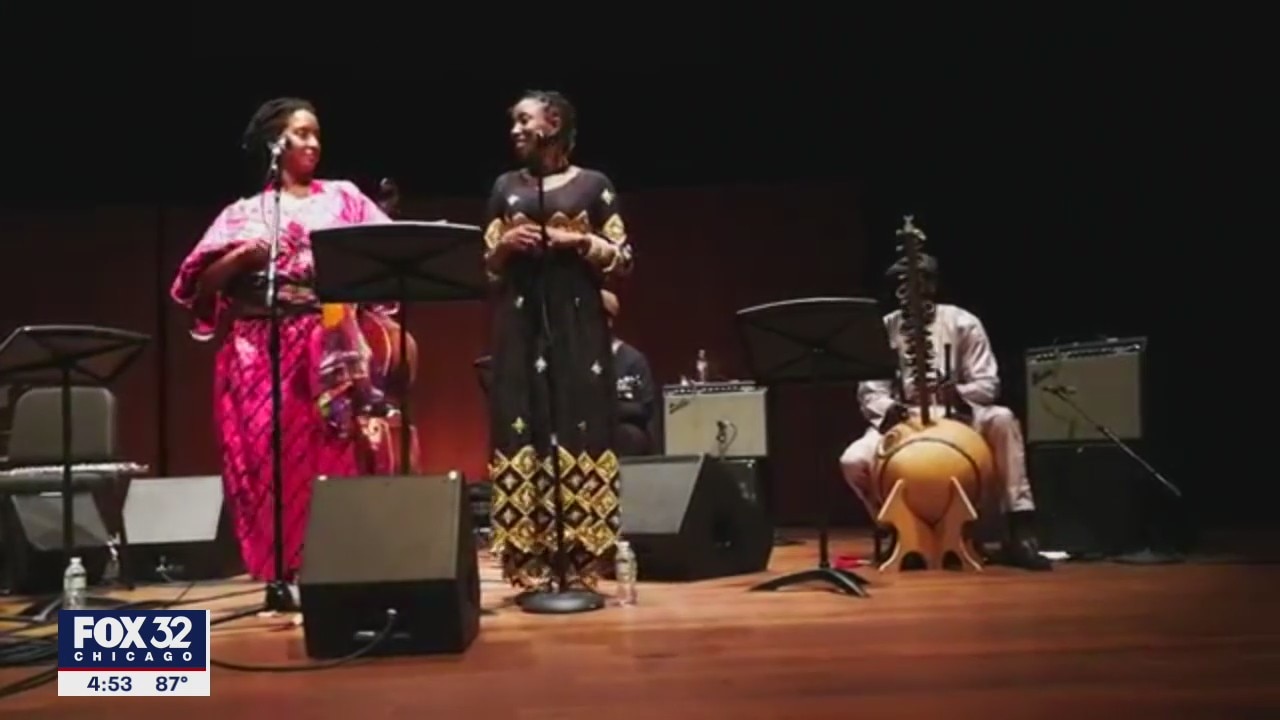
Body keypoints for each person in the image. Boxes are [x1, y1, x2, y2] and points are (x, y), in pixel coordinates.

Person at [170, 97, 418, 583]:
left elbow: (388, 251)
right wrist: (241, 259)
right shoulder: (243, 213)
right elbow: (200, 288)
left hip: (328, 345)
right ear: (274, 143)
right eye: (302, 133)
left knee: (332, 451)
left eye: (316, 133)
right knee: (266, 459)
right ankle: (279, 572)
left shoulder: (344, 198)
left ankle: (335, 568)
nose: (313, 143)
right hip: (257, 351)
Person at [482, 90, 633, 593]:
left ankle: (583, 560)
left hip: (578, 325)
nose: (515, 130)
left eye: (525, 120)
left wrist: (580, 241)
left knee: (580, 420)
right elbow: (486, 268)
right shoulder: (505, 187)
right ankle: (530, 561)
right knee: (522, 422)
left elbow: (624, 259)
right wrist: (504, 247)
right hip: (520, 326)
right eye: (513, 122)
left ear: (553, 124)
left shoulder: (594, 186)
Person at [838, 253, 1052, 571]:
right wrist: (891, 410)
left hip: (957, 414)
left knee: (1002, 419)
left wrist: (958, 394)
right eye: (902, 284)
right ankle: (896, 528)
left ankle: (1019, 527)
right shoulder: (884, 329)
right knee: (853, 461)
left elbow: (987, 383)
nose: (911, 290)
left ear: (932, 284)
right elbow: (870, 391)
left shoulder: (963, 322)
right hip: (905, 420)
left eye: (919, 281)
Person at [602, 289, 657, 455]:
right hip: (583, 429)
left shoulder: (632, 360)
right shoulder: (575, 358)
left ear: (608, 320)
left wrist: (609, 409)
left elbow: (645, 407)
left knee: (627, 436)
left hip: (621, 428)